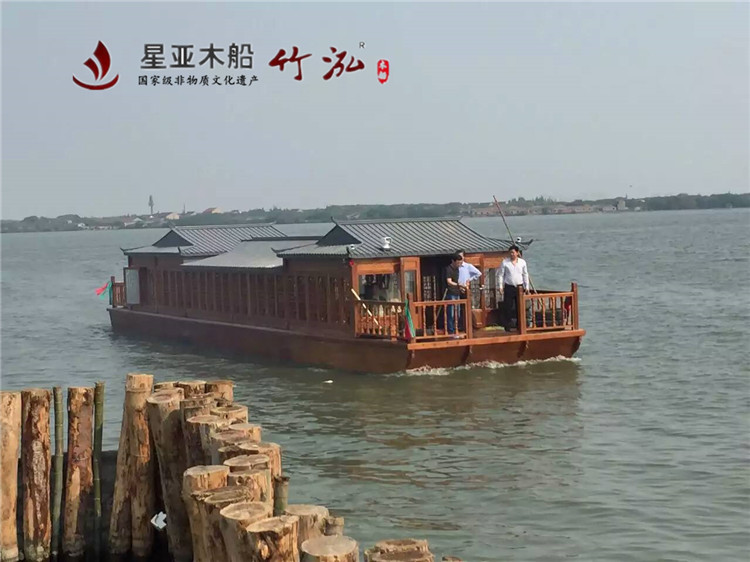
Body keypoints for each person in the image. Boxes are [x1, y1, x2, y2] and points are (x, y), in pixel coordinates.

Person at [496, 245, 529, 331]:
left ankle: (519, 325)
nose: (512, 254)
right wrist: (500, 286)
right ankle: (507, 326)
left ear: (517, 253)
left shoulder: (522, 262)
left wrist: (527, 286)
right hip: (509, 286)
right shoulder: (505, 262)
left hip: (519, 287)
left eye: (513, 252)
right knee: (508, 306)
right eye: (510, 253)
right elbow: (501, 275)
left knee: (519, 306)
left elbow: (525, 274)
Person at [444, 253, 463, 337]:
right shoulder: (448, 269)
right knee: (451, 313)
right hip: (450, 293)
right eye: (458, 262)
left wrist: (461, 288)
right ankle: (451, 332)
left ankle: (456, 330)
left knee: (457, 313)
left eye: (460, 263)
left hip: (457, 293)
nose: (459, 264)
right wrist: (458, 285)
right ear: (453, 261)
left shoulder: (458, 269)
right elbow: (449, 281)